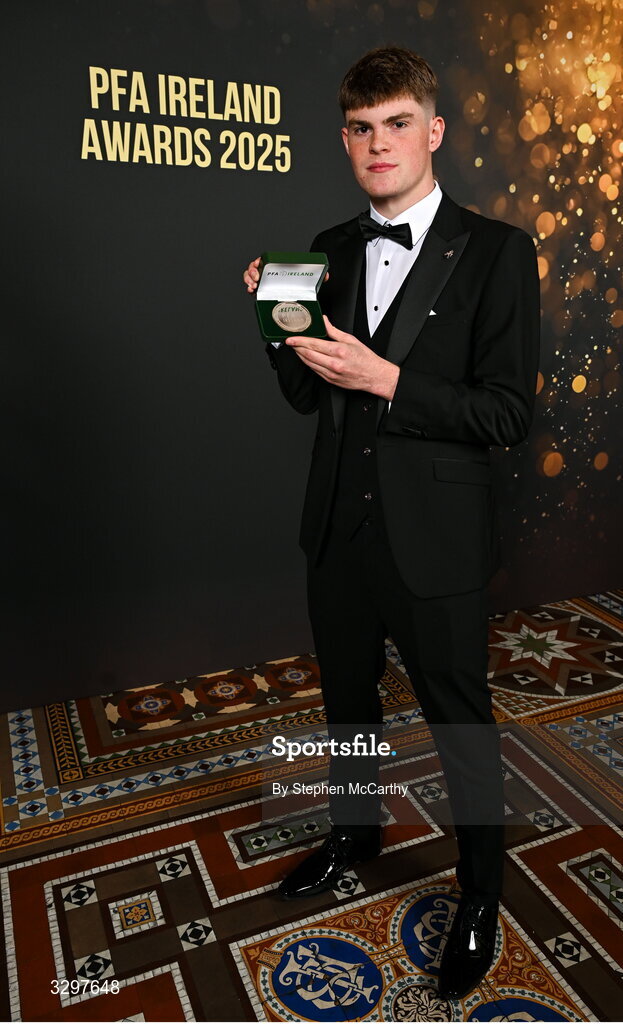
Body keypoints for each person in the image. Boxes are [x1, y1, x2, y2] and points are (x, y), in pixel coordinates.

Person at [243, 45, 540, 999]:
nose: (380, 144)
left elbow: (503, 415)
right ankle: (352, 835)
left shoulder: (497, 250)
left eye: (398, 124)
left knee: (460, 721)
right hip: (336, 529)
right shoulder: (320, 247)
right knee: (347, 707)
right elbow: (302, 395)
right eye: (362, 130)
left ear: (432, 131)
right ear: (345, 140)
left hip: (437, 542)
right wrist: (274, 316)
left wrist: (393, 382)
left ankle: (481, 891)